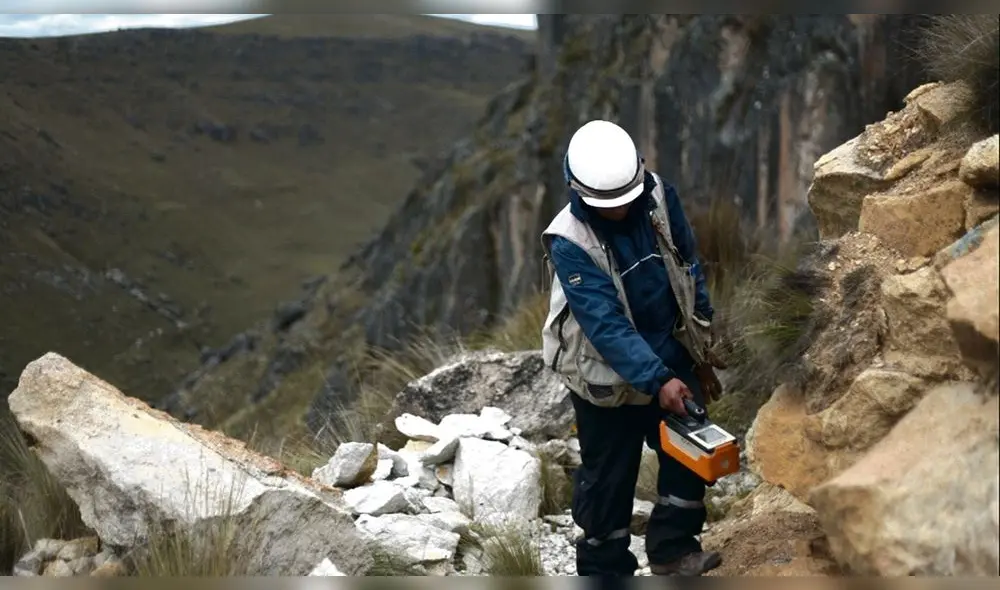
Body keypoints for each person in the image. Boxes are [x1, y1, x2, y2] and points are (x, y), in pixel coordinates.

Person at [539, 119, 727, 577]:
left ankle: (673, 550)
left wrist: (700, 347)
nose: (620, 211)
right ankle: (605, 570)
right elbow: (605, 325)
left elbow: (687, 265)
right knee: (607, 480)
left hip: (670, 350)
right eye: (608, 205)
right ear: (576, 187)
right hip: (603, 377)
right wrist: (658, 379)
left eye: (625, 200)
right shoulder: (569, 240)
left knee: (688, 455)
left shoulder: (658, 194)